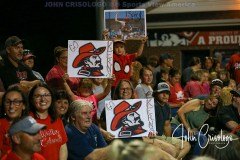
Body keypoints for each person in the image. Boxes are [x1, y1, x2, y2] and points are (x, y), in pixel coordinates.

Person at [29, 83, 68, 160]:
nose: (43, 99)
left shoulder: (56, 119)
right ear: (32, 99)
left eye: (46, 95)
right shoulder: (27, 121)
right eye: (38, 96)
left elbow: (62, 146)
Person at [0, 86, 29, 158]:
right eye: (7, 102)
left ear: (24, 106)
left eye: (16, 102)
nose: (11, 106)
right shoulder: (1, 125)